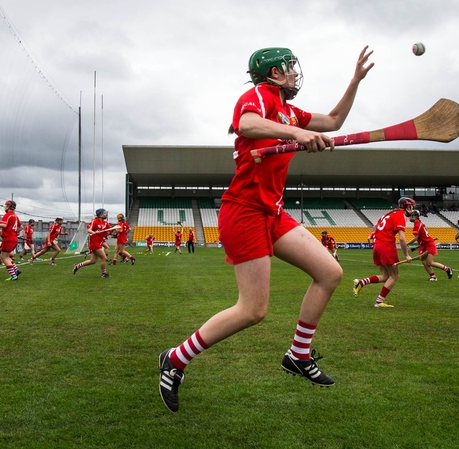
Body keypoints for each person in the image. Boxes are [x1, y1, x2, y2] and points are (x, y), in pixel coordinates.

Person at [158, 45, 373, 413]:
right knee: (252, 310)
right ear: (274, 73)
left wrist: (354, 81)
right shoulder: (260, 95)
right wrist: (297, 134)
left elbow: (335, 120)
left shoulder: (290, 111)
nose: (295, 73)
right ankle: (175, 359)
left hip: (272, 212)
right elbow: (246, 124)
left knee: (329, 272)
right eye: (290, 67)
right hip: (244, 212)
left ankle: (298, 355)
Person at [353, 197, 415, 308]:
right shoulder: (401, 215)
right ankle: (379, 302)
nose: (412, 209)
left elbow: (375, 227)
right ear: (405, 207)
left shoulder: (388, 214)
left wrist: (374, 236)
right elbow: (402, 238)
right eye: (411, 207)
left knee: (386, 276)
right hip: (386, 245)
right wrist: (406, 255)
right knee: (394, 276)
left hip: (377, 245)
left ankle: (361, 283)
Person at [408, 210, 453, 281]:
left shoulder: (418, 225)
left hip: (429, 244)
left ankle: (447, 269)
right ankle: (433, 277)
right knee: (424, 262)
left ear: (416, 216)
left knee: (430, 262)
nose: (409, 217)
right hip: (423, 245)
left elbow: (415, 238)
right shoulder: (418, 224)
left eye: (411, 216)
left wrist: (406, 244)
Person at [73, 209, 119, 278]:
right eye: (104, 213)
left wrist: (114, 229)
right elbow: (89, 230)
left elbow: (109, 231)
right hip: (94, 243)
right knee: (104, 258)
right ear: (100, 214)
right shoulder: (94, 221)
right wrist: (94, 232)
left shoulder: (105, 223)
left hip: (99, 242)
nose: (106, 214)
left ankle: (77, 266)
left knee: (93, 261)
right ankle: (104, 274)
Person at [0, 200, 22, 281]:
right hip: (13, 238)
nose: (5, 207)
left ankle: (13, 276)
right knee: (7, 256)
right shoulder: (15, 216)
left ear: (9, 206)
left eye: (6, 205)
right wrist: (15, 232)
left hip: (8, 238)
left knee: (4, 257)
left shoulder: (8, 215)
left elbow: (4, 225)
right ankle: (16, 270)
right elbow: (21, 227)